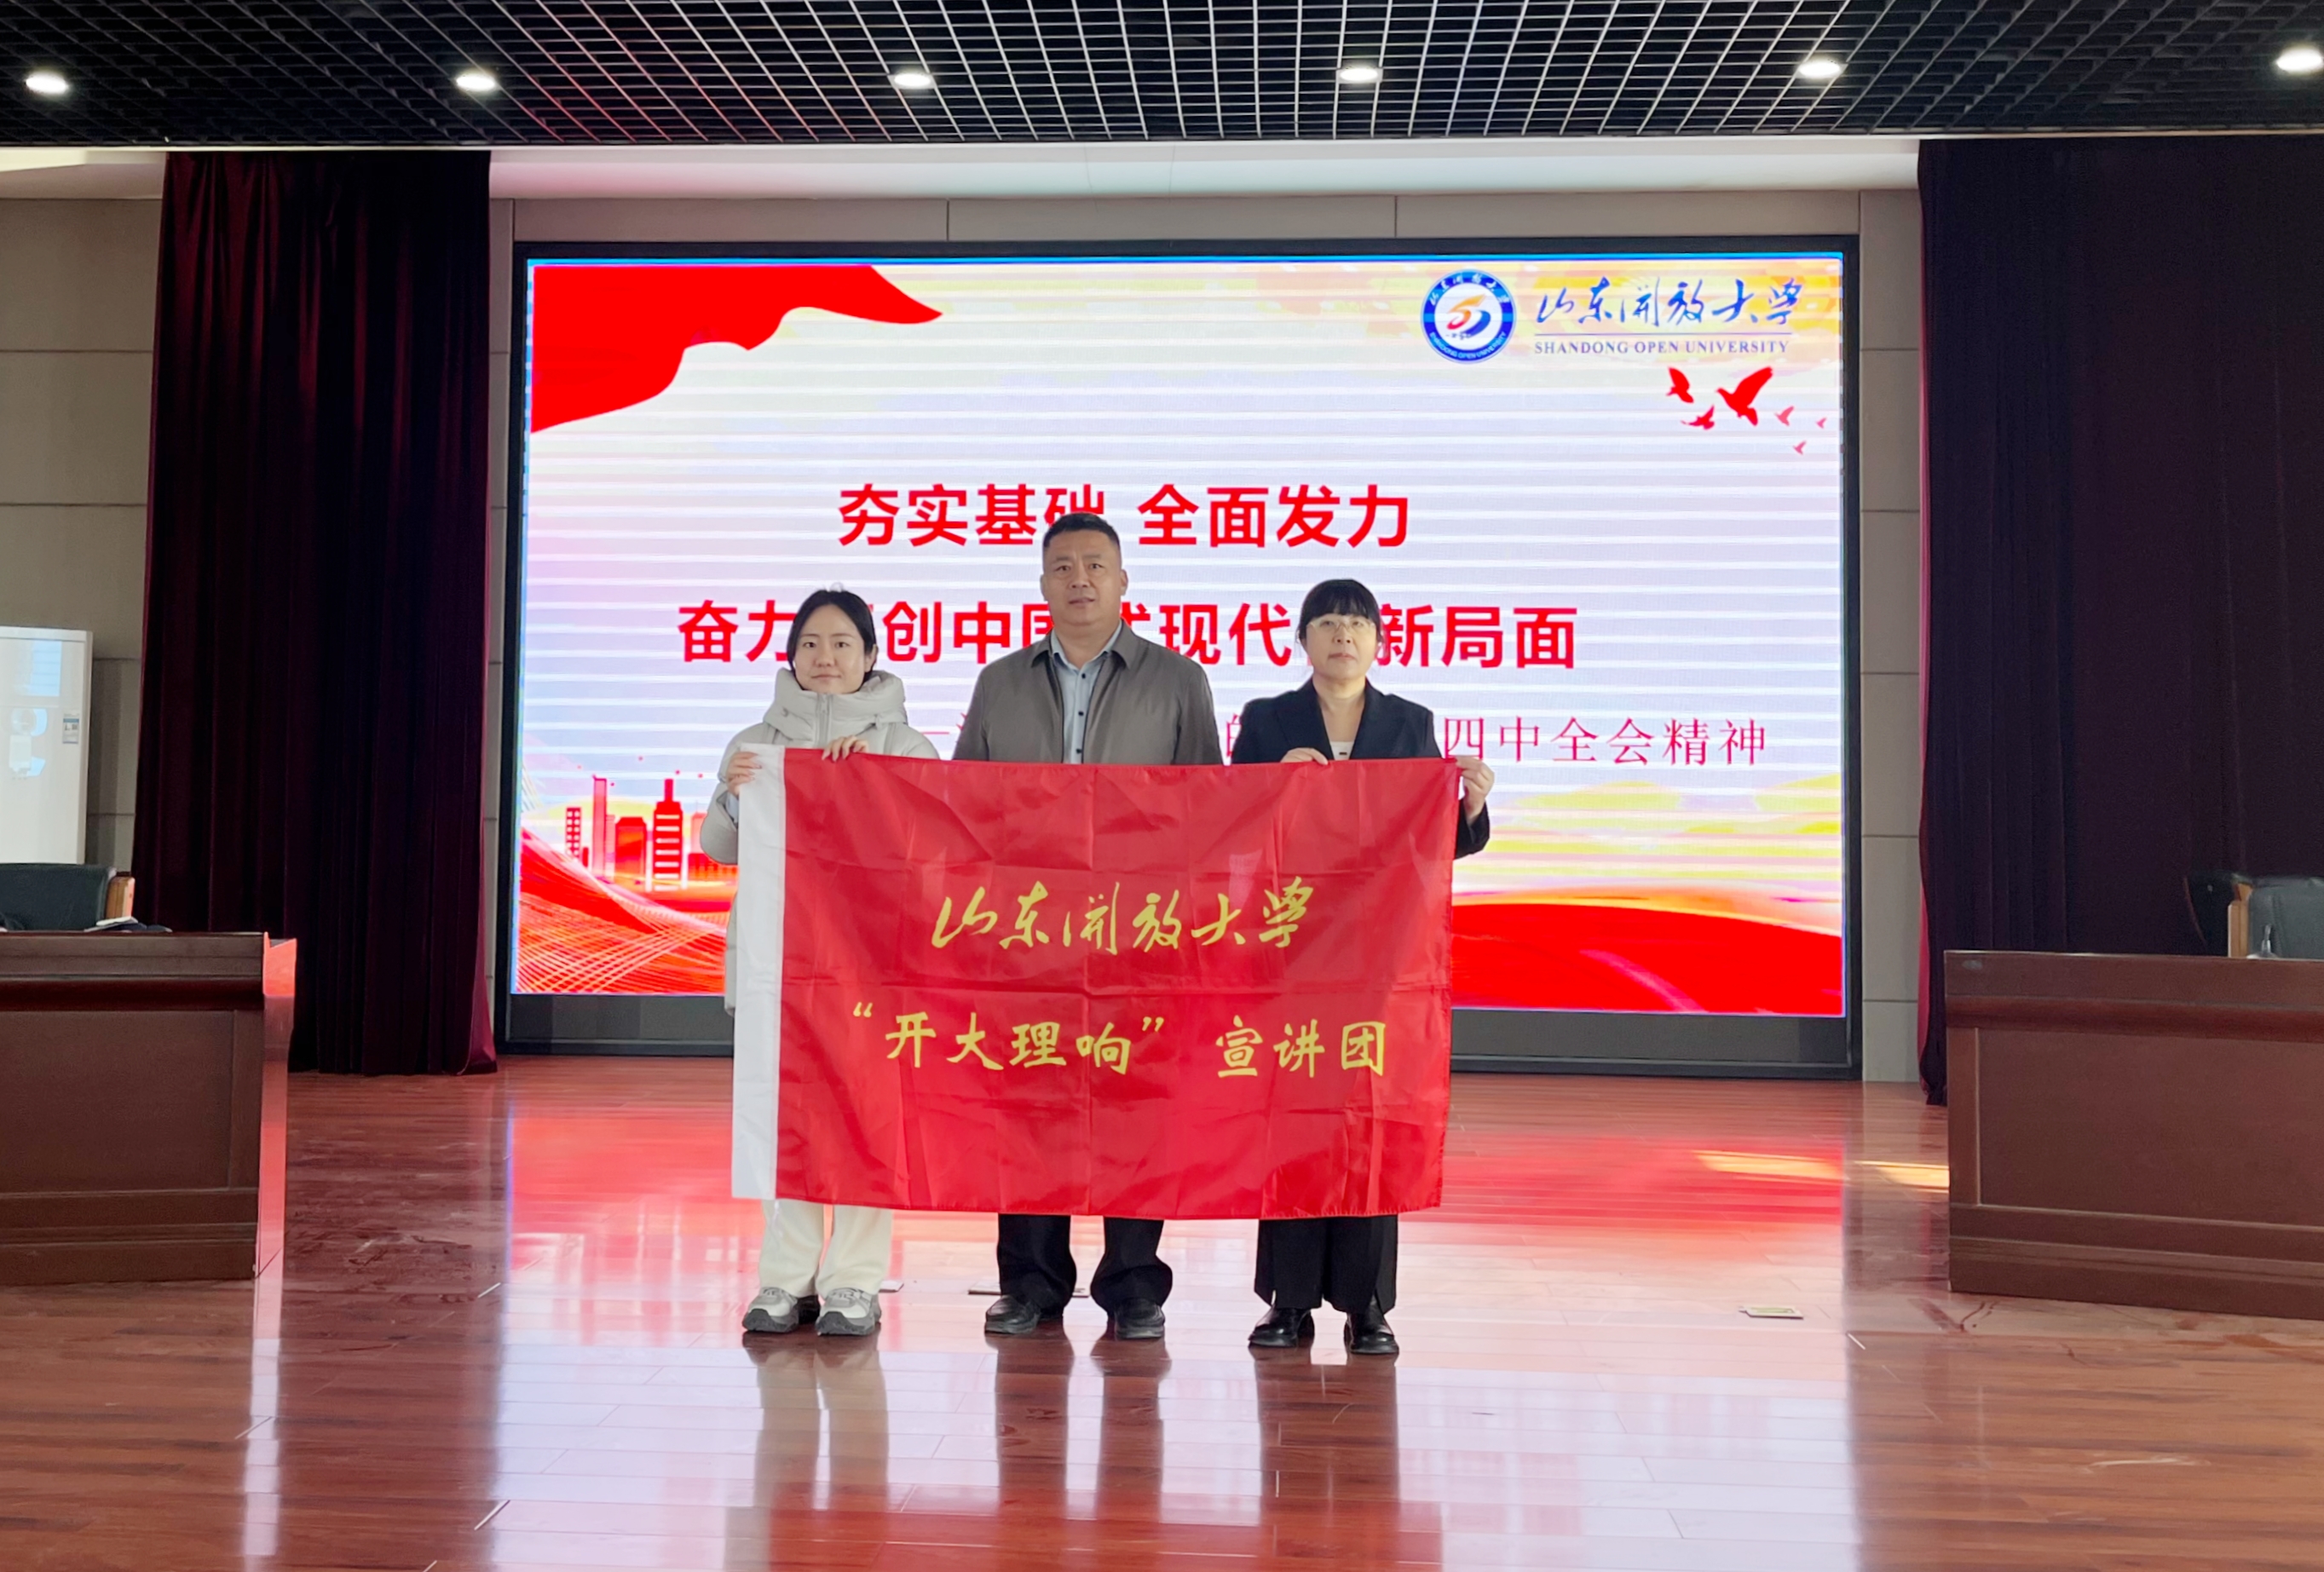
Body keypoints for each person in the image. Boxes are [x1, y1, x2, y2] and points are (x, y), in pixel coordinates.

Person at [953, 512, 1223, 1340]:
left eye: (1096, 565)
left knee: (1135, 1108)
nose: (1080, 579)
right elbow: (964, 802)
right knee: (1029, 1107)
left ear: (1123, 581)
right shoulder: (1001, 682)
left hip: (1137, 932)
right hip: (1027, 933)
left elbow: (1207, 807)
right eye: (1063, 566)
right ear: (1041, 584)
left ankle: (1133, 1286)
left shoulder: (1176, 680)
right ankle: (1031, 1283)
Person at [1230, 578, 1494, 1356]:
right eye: (1326, 622)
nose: (1341, 634)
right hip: (1291, 951)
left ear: (1378, 640)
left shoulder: (1409, 723)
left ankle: (1366, 1302)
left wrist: (1471, 806)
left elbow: (1435, 841)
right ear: (1301, 640)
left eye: (1355, 623)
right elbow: (1228, 824)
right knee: (1293, 1119)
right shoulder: (1267, 720)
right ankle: (1287, 1301)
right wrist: (1274, 783)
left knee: (1371, 1120)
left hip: (1381, 957)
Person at [703, 588, 939, 1339]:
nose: (825, 657)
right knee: (783, 1117)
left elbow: (932, 850)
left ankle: (854, 1281)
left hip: (871, 968)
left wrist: (877, 786)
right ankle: (785, 1276)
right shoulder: (755, 741)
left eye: (842, 643)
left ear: (871, 655)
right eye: (810, 643)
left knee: (867, 1123)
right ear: (791, 655)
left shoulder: (906, 747)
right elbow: (718, 846)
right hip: (778, 965)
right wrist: (736, 795)